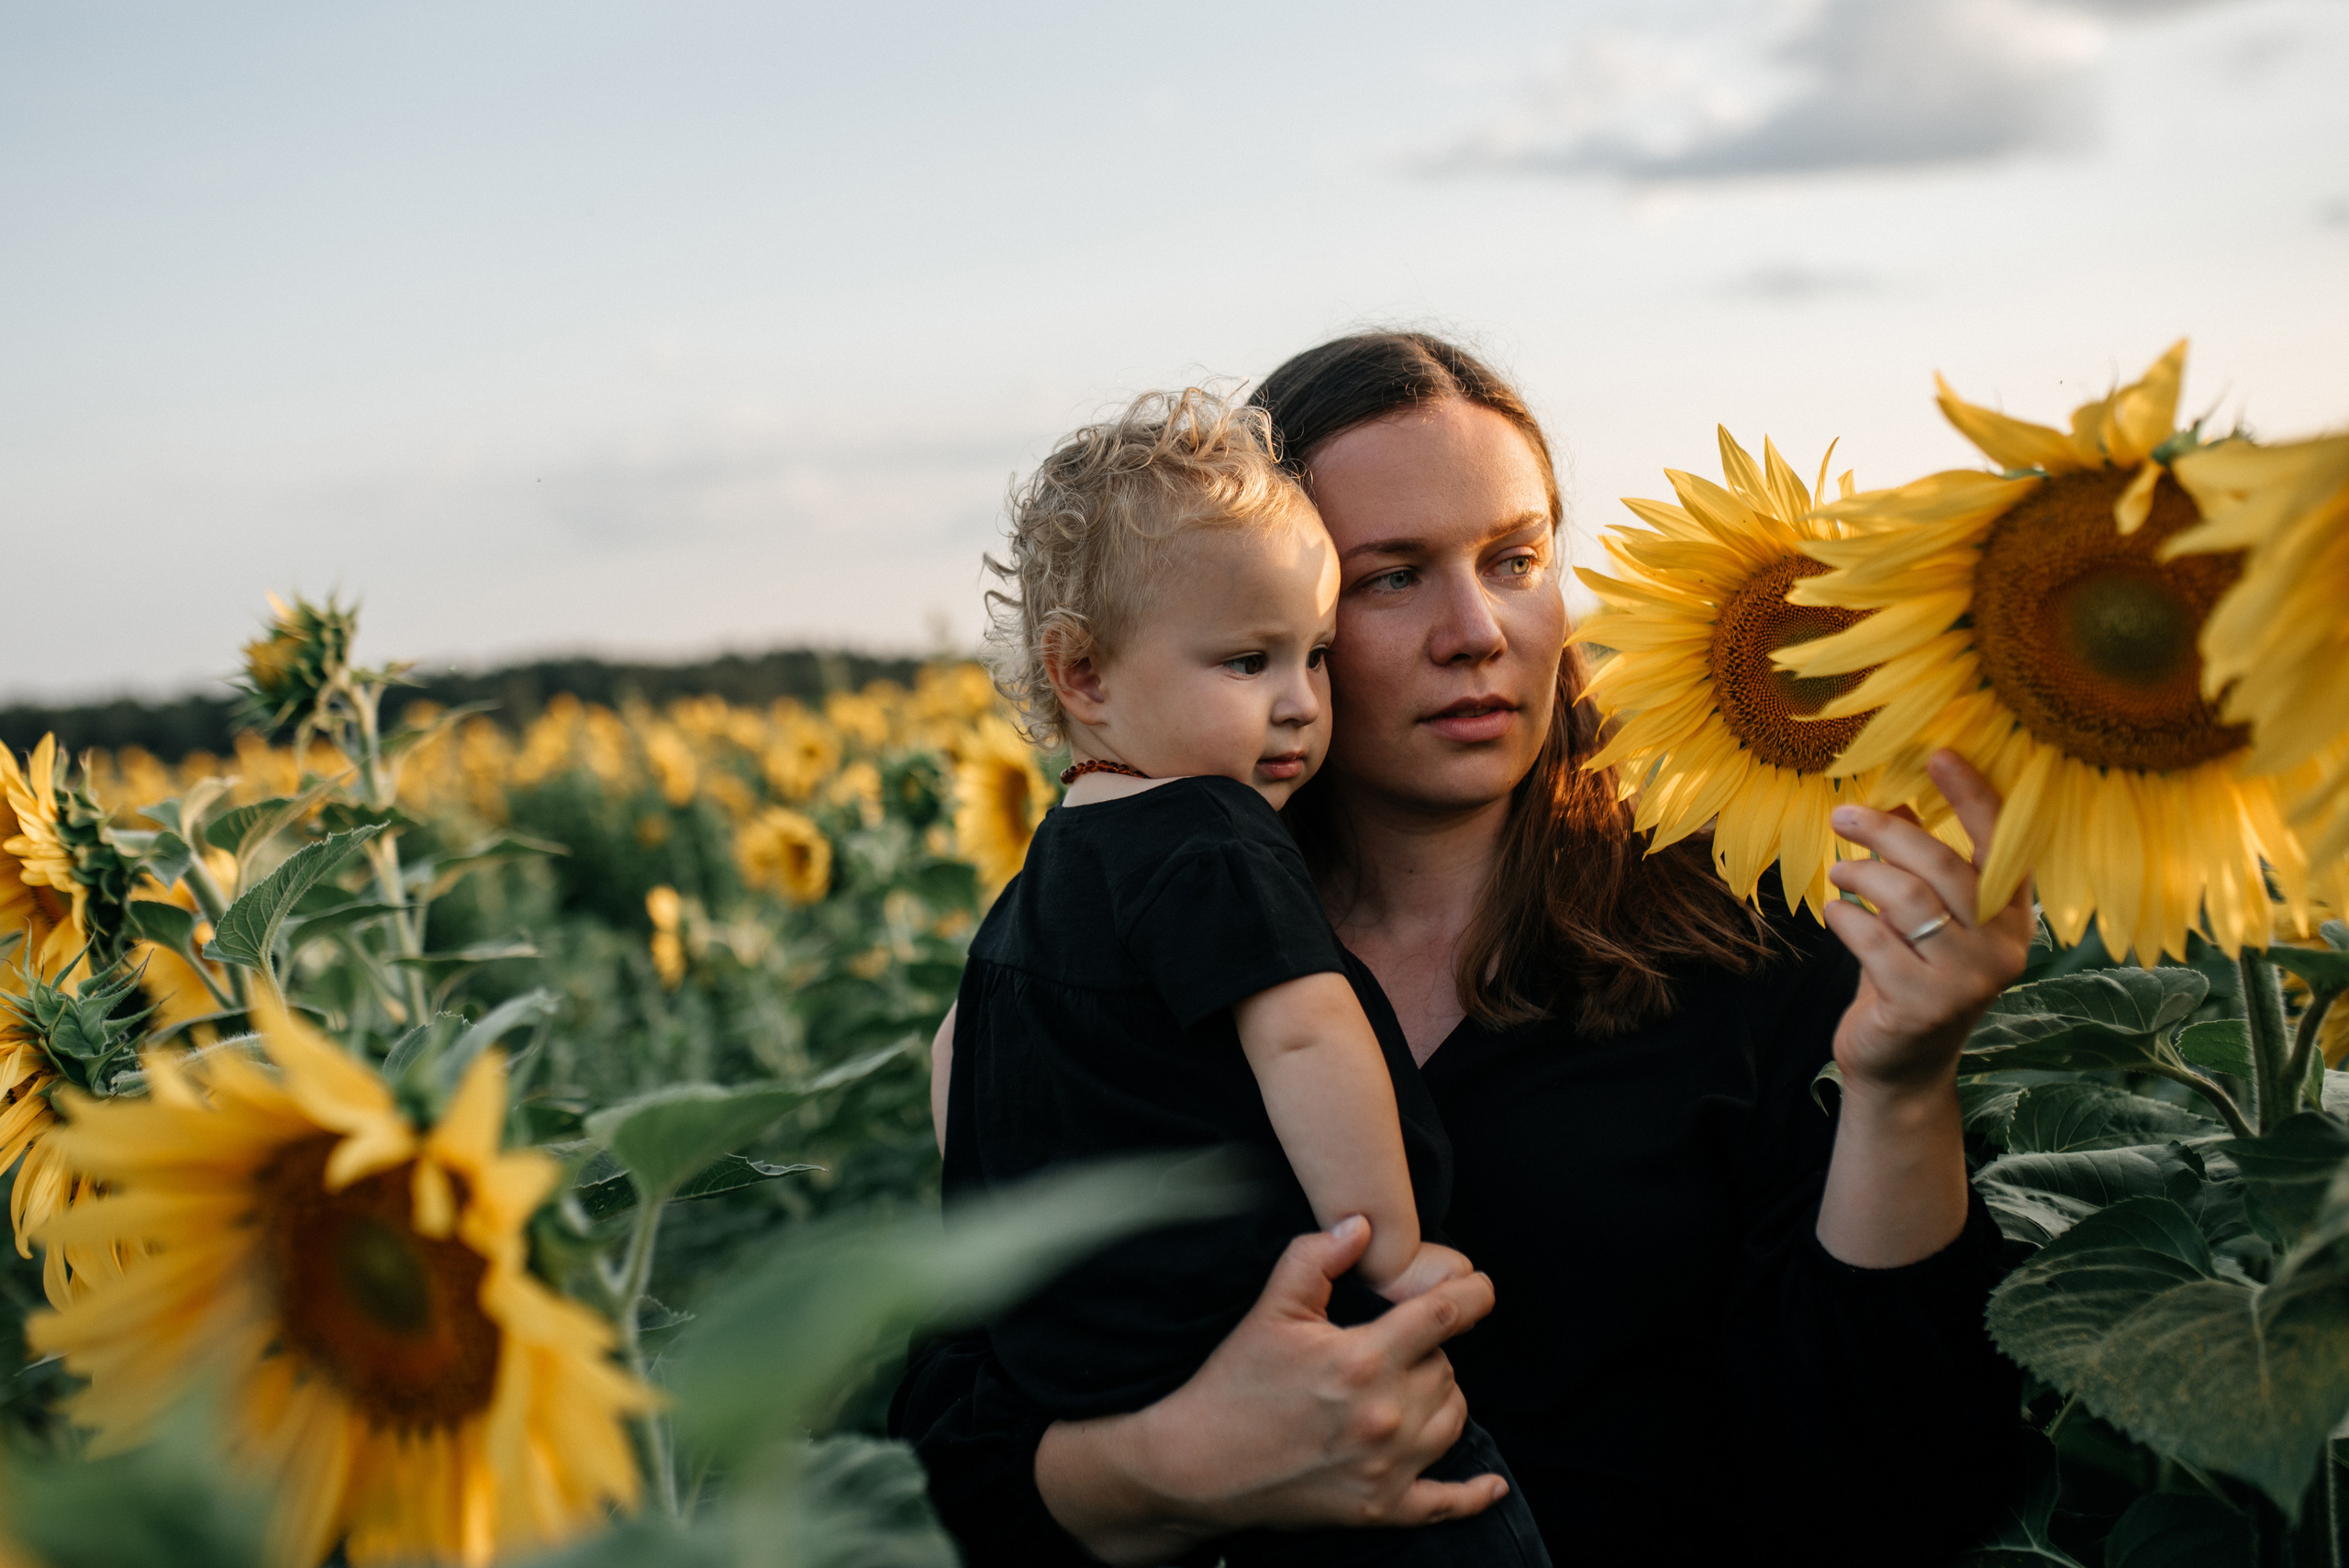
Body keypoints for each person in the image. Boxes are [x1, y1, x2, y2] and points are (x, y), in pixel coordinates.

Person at [894, 332, 2031, 1567]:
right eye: (1389, 578)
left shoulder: (1744, 933)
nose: (1477, 629)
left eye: (1517, 559)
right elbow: (944, 1458)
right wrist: (1181, 1464)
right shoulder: (1113, 954)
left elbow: (1906, 1480)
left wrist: (1903, 1086)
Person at [943, 386, 1550, 1566]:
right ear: (1082, 674)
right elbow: (1309, 1036)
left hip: (1108, 1365)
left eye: (1314, 657)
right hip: (1304, 1333)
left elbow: (956, 1061)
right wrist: (1385, 1244)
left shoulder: (1050, 869)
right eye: (1245, 660)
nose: (1297, 704)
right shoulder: (1213, 835)